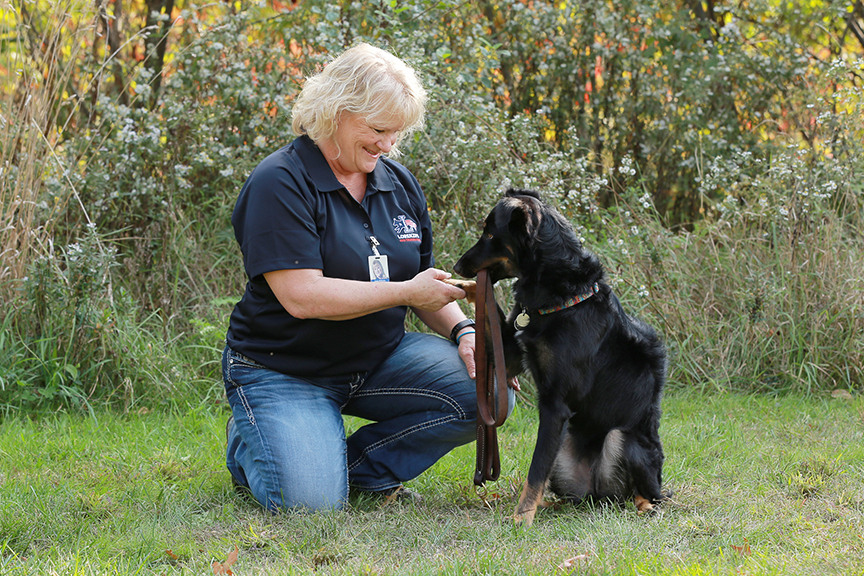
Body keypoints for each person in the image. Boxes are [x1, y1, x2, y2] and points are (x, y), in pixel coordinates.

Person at [223, 43, 502, 513]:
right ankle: (254, 440)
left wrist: (465, 329)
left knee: (486, 388)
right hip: (286, 369)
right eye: (377, 130)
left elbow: (422, 283)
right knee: (309, 508)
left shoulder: (398, 181)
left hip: (379, 360)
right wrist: (407, 292)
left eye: (396, 133)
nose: (388, 145)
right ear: (336, 112)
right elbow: (301, 296)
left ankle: (350, 470)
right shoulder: (280, 181)